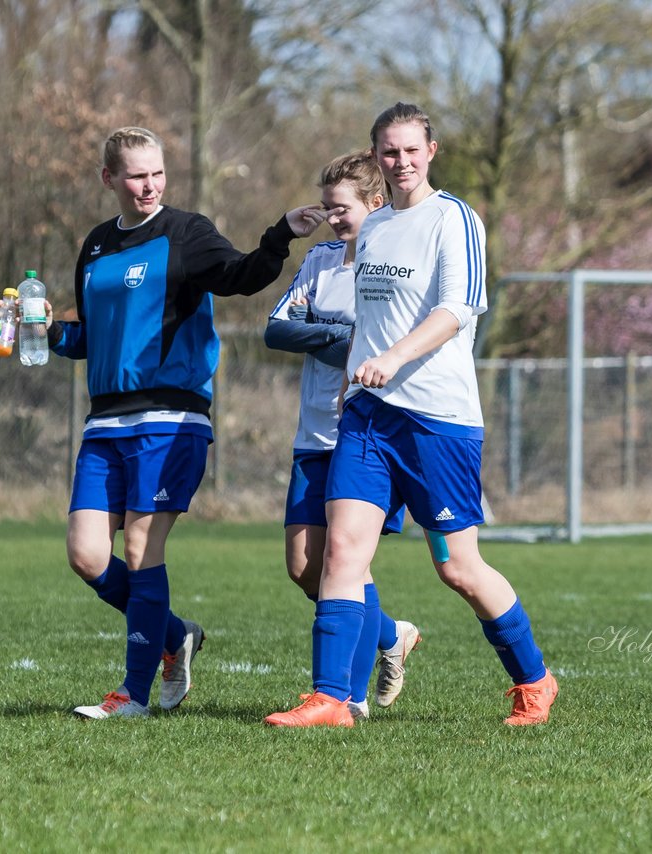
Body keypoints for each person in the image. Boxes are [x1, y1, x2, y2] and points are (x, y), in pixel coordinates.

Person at [265, 103, 557, 728]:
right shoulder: (370, 230)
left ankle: (535, 681)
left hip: (437, 421)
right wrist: (354, 380)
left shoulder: (454, 219)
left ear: (432, 151)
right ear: (376, 158)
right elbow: (369, 323)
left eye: (410, 150)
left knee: (457, 567)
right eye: (388, 152)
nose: (400, 162)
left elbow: (458, 308)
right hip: (368, 417)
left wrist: (394, 359)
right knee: (341, 551)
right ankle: (330, 699)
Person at [42, 126, 328, 719]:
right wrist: (43, 332)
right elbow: (94, 340)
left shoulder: (186, 233)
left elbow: (241, 275)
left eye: (157, 173)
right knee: (86, 555)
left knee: (144, 547)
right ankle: (175, 637)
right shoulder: (96, 246)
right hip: (106, 425)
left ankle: (133, 695)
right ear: (109, 179)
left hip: (170, 420)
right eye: (136, 175)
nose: (149, 186)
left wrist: (279, 237)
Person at [264, 150, 423, 720]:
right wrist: (344, 337)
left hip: (367, 433)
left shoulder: (391, 263)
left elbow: (394, 340)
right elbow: (277, 329)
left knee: (345, 561)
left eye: (342, 209)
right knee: (303, 567)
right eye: (327, 208)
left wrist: (331, 333)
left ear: (375, 204)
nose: (332, 219)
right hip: (313, 433)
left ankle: (348, 699)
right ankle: (390, 635)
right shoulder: (320, 261)